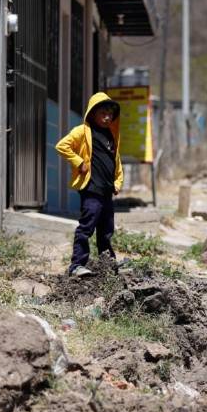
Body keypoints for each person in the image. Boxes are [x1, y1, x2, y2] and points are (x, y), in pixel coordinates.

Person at [56, 92, 123, 277]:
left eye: (110, 114)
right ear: (93, 113)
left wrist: (118, 182)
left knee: (106, 231)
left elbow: (116, 161)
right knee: (86, 227)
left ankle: (107, 265)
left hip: (107, 191)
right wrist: (79, 162)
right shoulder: (82, 131)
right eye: (103, 113)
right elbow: (62, 146)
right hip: (91, 189)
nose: (107, 117)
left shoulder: (111, 135)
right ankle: (77, 265)